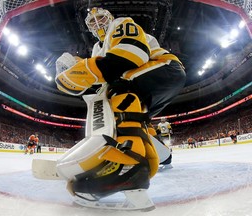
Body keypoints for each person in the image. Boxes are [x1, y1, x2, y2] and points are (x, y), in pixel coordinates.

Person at [54, 7, 186, 210]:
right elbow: (100, 82)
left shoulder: (120, 23)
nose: (98, 23)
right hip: (144, 86)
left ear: (110, 18)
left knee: (119, 87)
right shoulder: (98, 50)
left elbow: (132, 53)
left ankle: (129, 167)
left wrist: (86, 71)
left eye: (100, 18)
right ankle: (160, 156)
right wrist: (79, 71)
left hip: (164, 66)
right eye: (92, 21)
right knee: (124, 114)